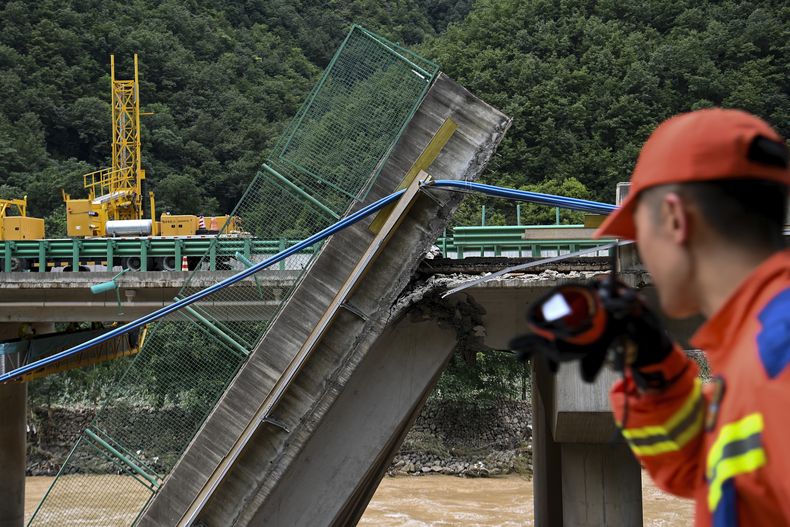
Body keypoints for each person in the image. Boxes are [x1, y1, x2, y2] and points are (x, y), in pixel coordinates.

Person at [514, 108, 789, 526]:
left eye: (638, 233)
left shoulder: (777, 351)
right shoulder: (755, 349)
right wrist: (651, 363)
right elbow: (696, 464)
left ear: (675, 219)